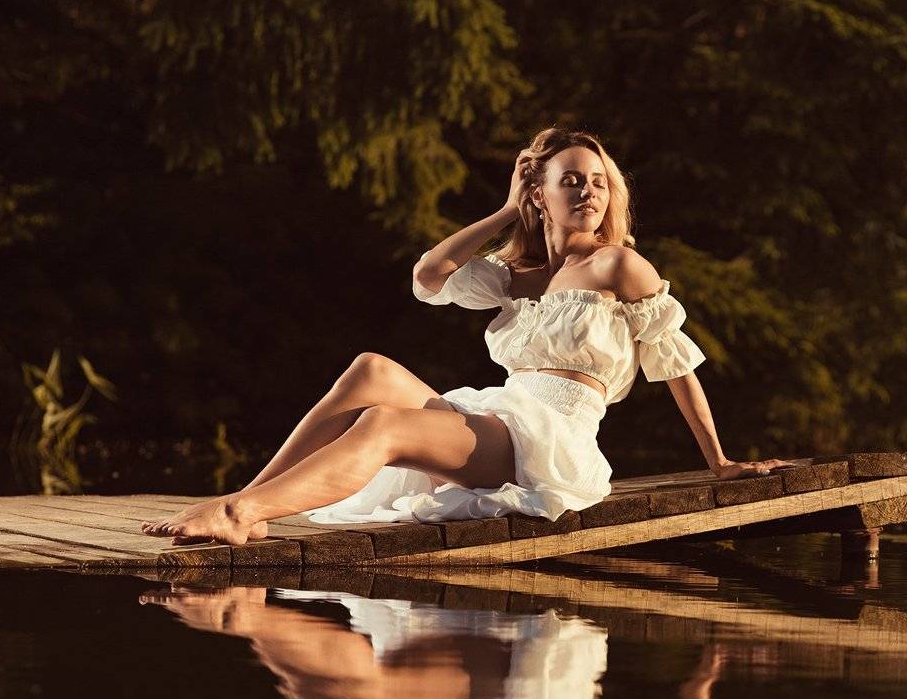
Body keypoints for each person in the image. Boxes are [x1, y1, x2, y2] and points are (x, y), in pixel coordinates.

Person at [142, 126, 793, 545]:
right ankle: (244, 499)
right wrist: (506, 211)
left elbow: (675, 364)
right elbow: (428, 275)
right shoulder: (515, 274)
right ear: (539, 194)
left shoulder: (619, 266)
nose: (588, 193)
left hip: (552, 438)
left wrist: (718, 463)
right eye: (570, 181)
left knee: (383, 424)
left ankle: (240, 516)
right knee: (371, 369)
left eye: (598, 182)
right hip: (500, 413)